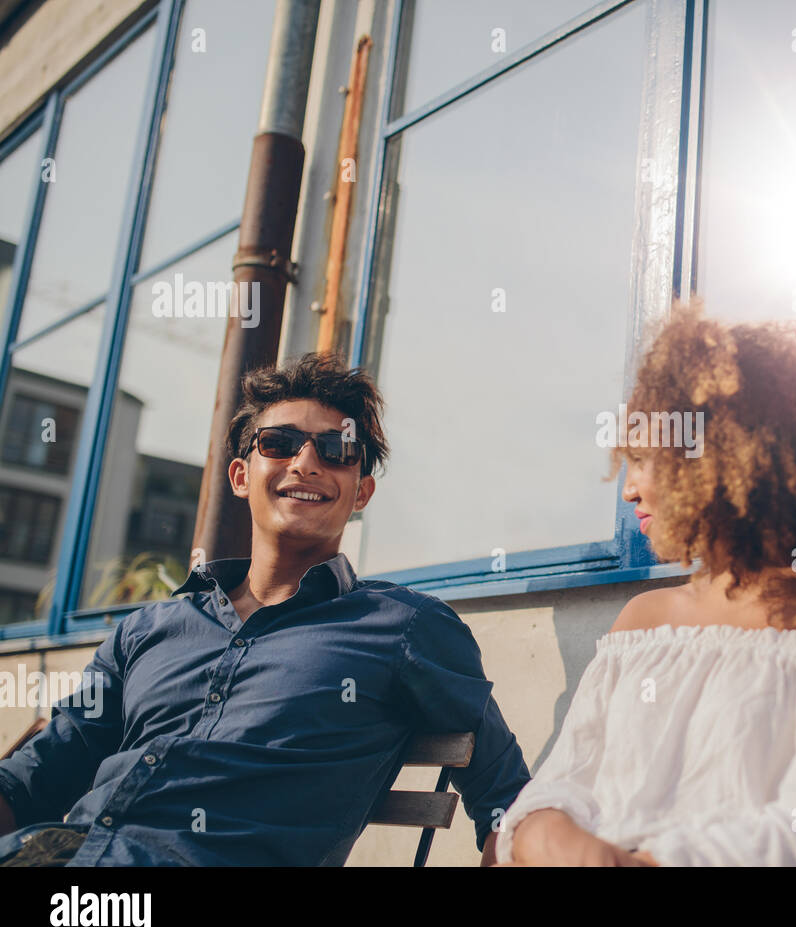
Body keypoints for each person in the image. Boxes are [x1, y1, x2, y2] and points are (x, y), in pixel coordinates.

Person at [0, 353, 530, 866]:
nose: (305, 463)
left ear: (361, 491)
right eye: (279, 444)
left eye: (336, 450)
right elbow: (36, 774)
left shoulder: (405, 628)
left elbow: (507, 798)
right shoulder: (148, 631)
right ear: (239, 476)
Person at [495, 301, 796, 866]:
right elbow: (566, 780)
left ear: (727, 457)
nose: (629, 489)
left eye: (647, 458)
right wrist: (543, 833)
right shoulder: (644, 621)